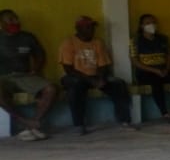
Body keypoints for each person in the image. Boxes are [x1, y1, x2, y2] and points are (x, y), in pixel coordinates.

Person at [58, 16, 134, 134]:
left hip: (95, 76)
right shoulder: (68, 43)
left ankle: (124, 121)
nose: (92, 30)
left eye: (92, 27)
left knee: (119, 84)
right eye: (88, 27)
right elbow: (68, 69)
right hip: (75, 77)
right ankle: (79, 125)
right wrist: (90, 80)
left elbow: (103, 65)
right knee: (75, 88)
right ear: (78, 28)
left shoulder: (98, 42)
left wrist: (101, 79)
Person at [0, 9, 57, 140]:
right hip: (3, 78)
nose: (15, 22)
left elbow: (40, 54)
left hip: (24, 76)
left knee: (51, 89)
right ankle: (23, 122)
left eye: (16, 18)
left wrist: (36, 70)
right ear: (1, 23)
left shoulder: (27, 37)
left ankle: (33, 123)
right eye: (11, 19)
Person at [130, 13, 170, 124]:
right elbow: (135, 62)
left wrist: (167, 69)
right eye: (147, 23)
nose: (151, 25)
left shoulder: (163, 39)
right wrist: (155, 70)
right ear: (141, 26)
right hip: (145, 73)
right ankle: (165, 114)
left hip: (162, 70)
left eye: (153, 22)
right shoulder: (135, 40)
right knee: (156, 82)